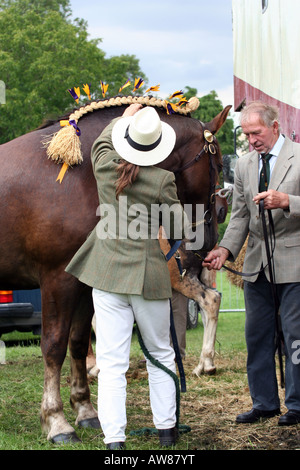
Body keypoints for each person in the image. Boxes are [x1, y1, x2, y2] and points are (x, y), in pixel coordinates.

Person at [66, 104, 186, 449]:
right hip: (148, 277)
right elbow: (178, 229)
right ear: (157, 146)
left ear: (127, 139)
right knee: (160, 355)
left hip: (107, 276)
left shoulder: (105, 167)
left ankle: (114, 440)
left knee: (111, 364)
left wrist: (125, 116)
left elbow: (99, 146)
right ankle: (166, 431)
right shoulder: (163, 180)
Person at [203, 101, 300, 426]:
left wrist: (287, 201)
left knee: (295, 334)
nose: (251, 140)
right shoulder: (245, 164)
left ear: (274, 127)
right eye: (246, 134)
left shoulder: (299, 156)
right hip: (257, 266)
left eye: (256, 133)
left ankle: (297, 405)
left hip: (294, 263)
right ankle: (265, 404)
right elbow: (241, 215)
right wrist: (225, 251)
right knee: (257, 335)